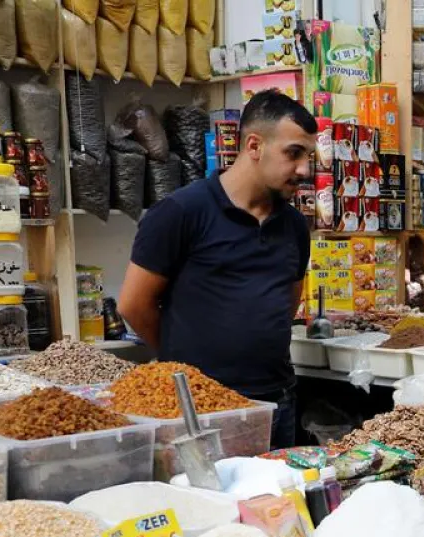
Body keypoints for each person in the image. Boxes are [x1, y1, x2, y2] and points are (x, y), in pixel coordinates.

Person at [119, 89, 317, 448]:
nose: (304, 169)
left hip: (277, 402)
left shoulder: (293, 226)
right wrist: (185, 359)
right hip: (201, 410)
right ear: (254, 146)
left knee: (278, 503)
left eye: (308, 156)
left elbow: (288, 304)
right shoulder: (181, 213)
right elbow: (133, 305)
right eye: (294, 154)